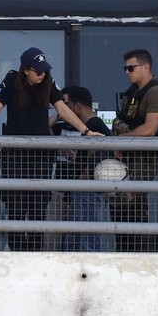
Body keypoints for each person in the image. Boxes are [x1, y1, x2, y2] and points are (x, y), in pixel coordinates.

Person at [0, 47, 98, 251]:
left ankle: (34, 256)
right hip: (15, 154)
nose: (42, 75)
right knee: (15, 208)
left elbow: (62, 109)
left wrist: (86, 131)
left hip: (40, 155)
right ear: (26, 70)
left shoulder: (48, 81)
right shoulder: (12, 79)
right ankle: (17, 255)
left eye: (45, 71)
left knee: (38, 209)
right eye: (38, 71)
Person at [112, 48, 158, 252]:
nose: (127, 72)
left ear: (146, 67)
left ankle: (141, 258)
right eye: (125, 68)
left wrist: (120, 140)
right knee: (121, 209)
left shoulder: (155, 92)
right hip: (129, 156)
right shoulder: (133, 93)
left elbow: (149, 129)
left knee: (134, 208)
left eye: (131, 67)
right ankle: (124, 255)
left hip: (144, 158)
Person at [60, 85, 114, 252]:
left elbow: (102, 151)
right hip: (85, 188)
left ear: (77, 106)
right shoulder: (93, 125)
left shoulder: (94, 125)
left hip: (87, 189)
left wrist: (87, 173)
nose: (66, 112)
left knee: (87, 230)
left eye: (68, 107)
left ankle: (90, 263)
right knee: (77, 231)